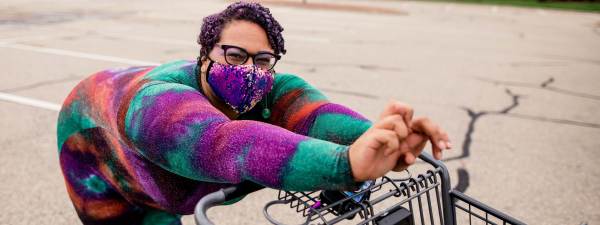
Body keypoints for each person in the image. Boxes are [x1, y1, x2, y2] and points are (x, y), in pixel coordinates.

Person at [57, 2, 451, 225]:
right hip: (93, 144)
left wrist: (382, 137)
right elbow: (227, 144)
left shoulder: (271, 86)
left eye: (262, 59)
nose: (249, 69)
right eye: (234, 54)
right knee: (153, 214)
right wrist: (344, 165)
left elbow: (316, 115)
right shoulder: (156, 106)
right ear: (204, 54)